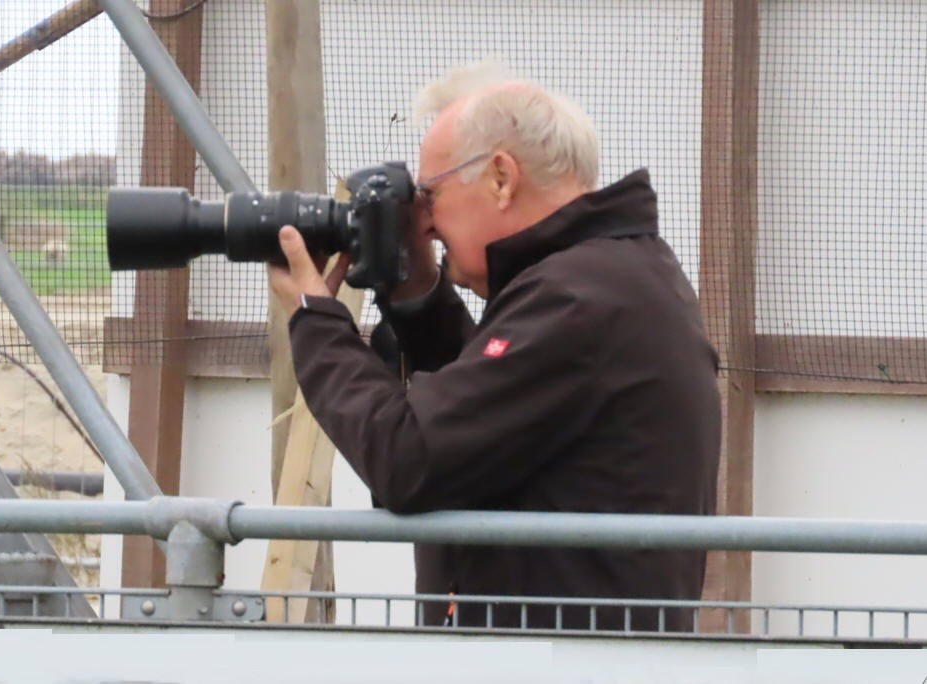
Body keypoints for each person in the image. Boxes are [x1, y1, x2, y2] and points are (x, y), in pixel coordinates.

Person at [267, 61, 721, 632]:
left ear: (501, 178)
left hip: (559, 663)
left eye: (430, 196)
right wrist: (417, 295)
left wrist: (315, 323)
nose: (423, 225)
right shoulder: (613, 278)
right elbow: (484, 420)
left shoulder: (576, 301)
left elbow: (409, 456)